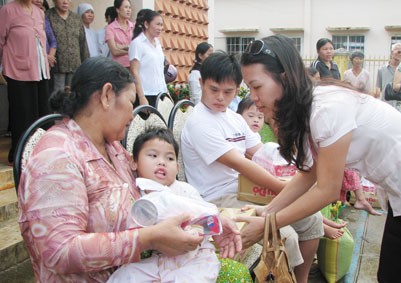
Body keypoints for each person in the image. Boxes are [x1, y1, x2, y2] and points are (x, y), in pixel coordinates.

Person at [17, 57, 241, 282]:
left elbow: (158, 195)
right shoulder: (56, 156)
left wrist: (209, 221)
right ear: (106, 96)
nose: (132, 114)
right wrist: (148, 239)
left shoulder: (112, 148)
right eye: (131, 102)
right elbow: (59, 252)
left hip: (144, 270)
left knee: (233, 273)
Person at [238, 34, 401, 282]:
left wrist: (268, 224)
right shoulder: (305, 108)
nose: (254, 96)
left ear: (284, 77)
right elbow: (308, 174)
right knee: (394, 272)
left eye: (257, 86)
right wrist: (268, 211)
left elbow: (327, 189)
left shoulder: (325, 108)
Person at [181, 52, 323, 283]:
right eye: (213, 89)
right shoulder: (199, 122)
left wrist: (290, 173)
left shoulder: (234, 118)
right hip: (219, 198)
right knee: (284, 233)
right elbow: (243, 164)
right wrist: (283, 187)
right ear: (201, 84)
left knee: (313, 218)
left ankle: (301, 279)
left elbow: (260, 153)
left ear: (238, 89)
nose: (220, 98)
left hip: (246, 191)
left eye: (228, 92)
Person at [108, 127, 222, 282]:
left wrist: (197, 232)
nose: (161, 161)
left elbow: (209, 219)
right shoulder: (135, 195)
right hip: (154, 261)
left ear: (177, 168)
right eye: (153, 155)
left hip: (192, 258)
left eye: (169, 158)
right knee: (125, 276)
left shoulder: (184, 191)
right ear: (133, 162)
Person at [0, 0, 50, 165]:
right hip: (18, 71)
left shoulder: (39, 12)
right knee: (22, 116)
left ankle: (40, 154)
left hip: (41, 71)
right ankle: (19, 155)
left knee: (42, 114)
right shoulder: (8, 10)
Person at [46, 0, 89, 93]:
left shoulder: (76, 18)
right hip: (56, 66)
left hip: (75, 66)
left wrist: (86, 64)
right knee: (57, 96)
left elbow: (82, 43)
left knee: (73, 96)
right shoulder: (48, 16)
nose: (65, 2)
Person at [129, 9, 167, 106]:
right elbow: (134, 72)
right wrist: (142, 97)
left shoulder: (158, 43)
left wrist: (166, 93)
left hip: (160, 93)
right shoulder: (137, 43)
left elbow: (160, 70)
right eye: (157, 24)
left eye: (161, 25)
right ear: (146, 24)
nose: (160, 28)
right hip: (146, 94)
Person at [105, 0, 134, 68]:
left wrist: (120, 46)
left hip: (134, 66)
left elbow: (139, 47)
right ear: (118, 10)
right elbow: (114, 51)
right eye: (126, 7)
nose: (129, 10)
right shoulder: (110, 28)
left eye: (130, 7)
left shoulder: (134, 26)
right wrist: (131, 49)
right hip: (119, 68)